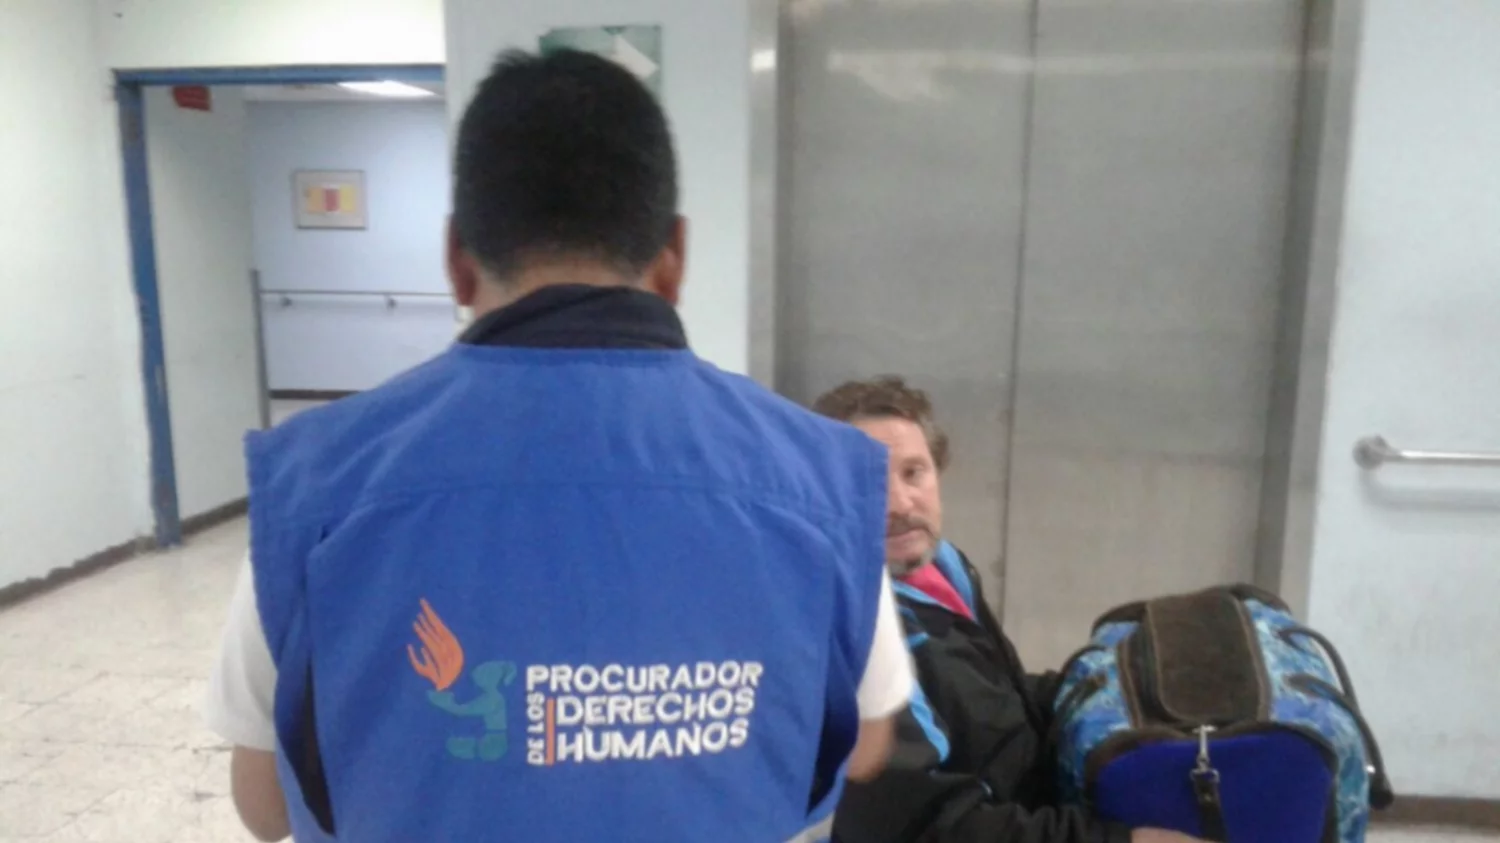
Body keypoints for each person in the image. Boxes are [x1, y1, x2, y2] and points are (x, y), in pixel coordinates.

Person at [203, 50, 914, 843]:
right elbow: (864, 745)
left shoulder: (315, 482)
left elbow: (264, 805)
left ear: (457, 260)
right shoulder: (824, 481)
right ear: (674, 258)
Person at [813, 377, 1201, 843]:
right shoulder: (853, 633)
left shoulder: (943, 567)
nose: (899, 503)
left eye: (913, 472)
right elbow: (926, 826)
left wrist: (1095, 683)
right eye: (868, 482)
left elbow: (991, 700)